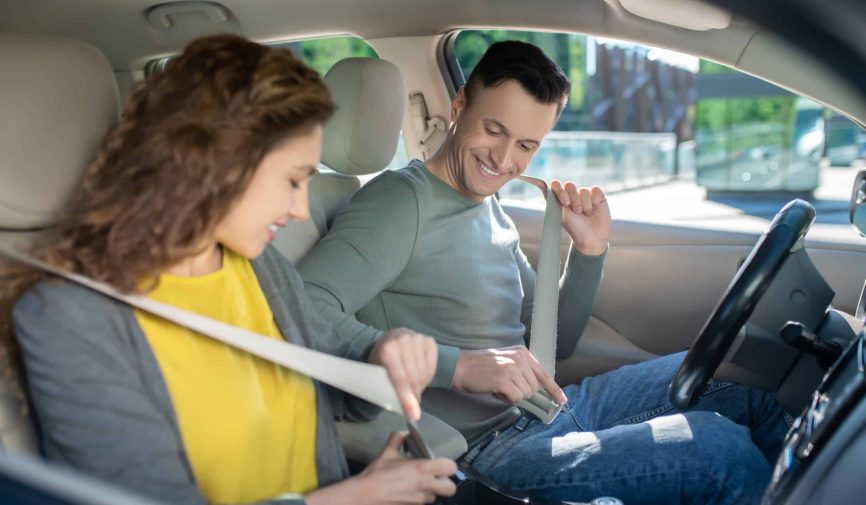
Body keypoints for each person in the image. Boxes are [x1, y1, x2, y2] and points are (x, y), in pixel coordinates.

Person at [298, 40, 790, 504]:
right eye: (493, 130)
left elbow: (554, 342)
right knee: (716, 450)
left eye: (526, 145)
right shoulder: (398, 203)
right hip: (484, 450)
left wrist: (590, 251)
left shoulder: (486, 207)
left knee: (739, 390)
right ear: (459, 105)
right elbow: (305, 311)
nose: (504, 159)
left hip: (545, 408)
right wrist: (461, 365)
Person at [1, 34, 456, 505]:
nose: (301, 208)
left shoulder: (257, 265)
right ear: (217, 165)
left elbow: (336, 383)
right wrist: (353, 497)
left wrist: (385, 356)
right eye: (293, 180)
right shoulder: (66, 317)